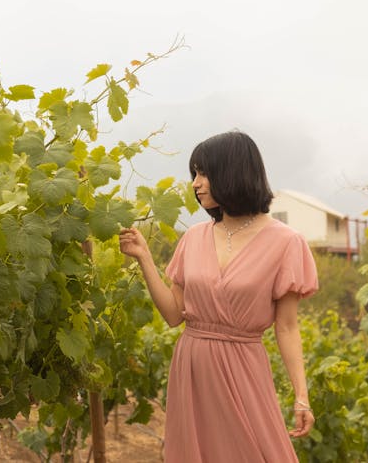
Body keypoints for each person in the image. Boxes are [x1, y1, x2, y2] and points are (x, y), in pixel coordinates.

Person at [119, 130, 318, 462]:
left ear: (234, 171)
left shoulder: (286, 242)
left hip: (244, 368)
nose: (195, 183)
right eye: (194, 174)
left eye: (203, 172)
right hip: (192, 367)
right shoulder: (194, 237)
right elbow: (173, 315)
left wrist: (301, 396)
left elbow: (287, 327)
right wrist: (145, 259)